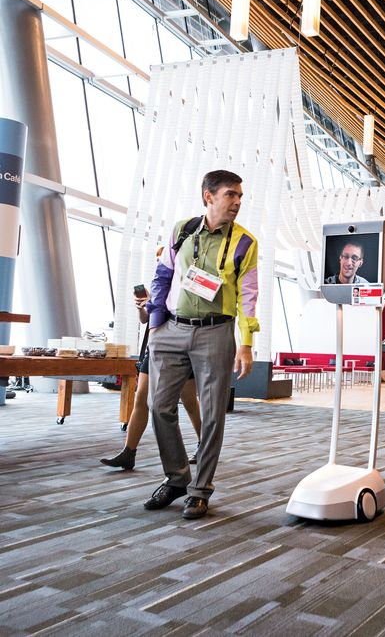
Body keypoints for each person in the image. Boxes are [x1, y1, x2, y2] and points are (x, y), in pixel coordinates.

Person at [143, 170, 259, 519]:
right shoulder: (182, 230)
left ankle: (200, 489)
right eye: (230, 195)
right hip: (171, 329)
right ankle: (177, 477)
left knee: (212, 415)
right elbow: (162, 276)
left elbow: (247, 295)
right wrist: (155, 324)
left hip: (215, 332)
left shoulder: (244, 242)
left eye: (240, 196)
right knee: (159, 407)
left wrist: (247, 342)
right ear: (208, 196)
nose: (237, 201)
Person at [99, 288, 201, 470]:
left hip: (179, 348)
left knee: (189, 401)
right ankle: (128, 452)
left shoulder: (184, 286)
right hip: (155, 347)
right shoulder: (158, 286)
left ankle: (204, 444)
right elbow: (146, 319)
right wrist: (142, 307)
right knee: (141, 398)